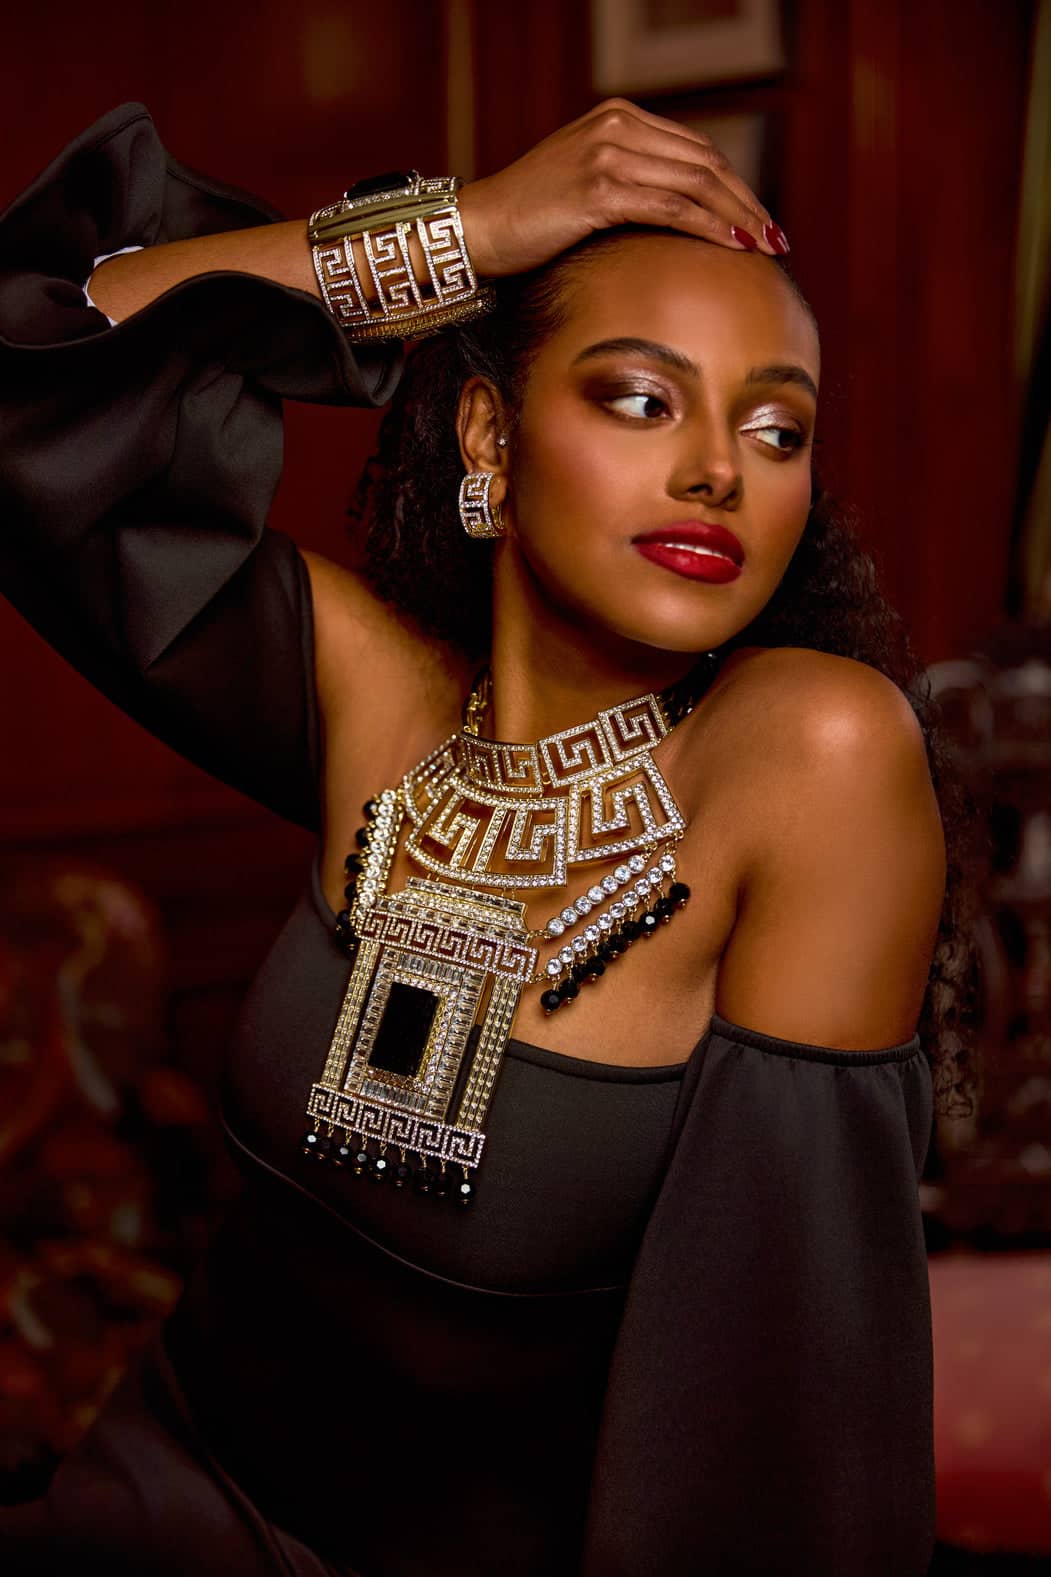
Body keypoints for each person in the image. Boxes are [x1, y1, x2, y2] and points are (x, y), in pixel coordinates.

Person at [0, 95, 970, 1576]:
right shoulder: (369, 699)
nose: (719, 468)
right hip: (152, 1508)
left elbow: (784, 1453)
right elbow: (37, 362)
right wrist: (461, 234)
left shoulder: (802, 757)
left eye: (778, 427)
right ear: (489, 436)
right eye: (642, 399)